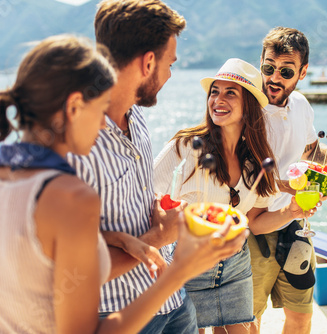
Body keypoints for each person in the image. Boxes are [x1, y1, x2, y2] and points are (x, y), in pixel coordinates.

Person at [0, 34, 247, 334]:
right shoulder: (70, 197)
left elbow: (36, 257)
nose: (102, 125)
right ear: (74, 107)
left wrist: (122, 239)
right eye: (100, 111)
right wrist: (179, 272)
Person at [154, 58, 321, 334]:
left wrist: (291, 212)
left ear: (249, 107)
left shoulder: (256, 161)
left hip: (235, 265)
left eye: (231, 92)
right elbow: (146, 196)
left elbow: (254, 221)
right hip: (188, 265)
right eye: (215, 91)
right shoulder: (185, 146)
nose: (218, 99)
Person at [65, 1, 200, 333]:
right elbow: (71, 267)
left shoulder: (135, 113)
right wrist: (161, 234)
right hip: (117, 315)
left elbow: (129, 195)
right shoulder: (73, 143)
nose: (169, 74)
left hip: (172, 298)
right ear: (148, 61)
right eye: (170, 63)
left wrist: (159, 207)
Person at [249, 27, 327, 334]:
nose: (274, 77)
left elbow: (311, 154)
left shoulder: (301, 105)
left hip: (295, 225)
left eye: (286, 71)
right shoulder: (248, 109)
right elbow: (238, 175)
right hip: (254, 229)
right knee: (250, 320)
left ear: (302, 72)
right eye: (268, 67)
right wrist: (282, 186)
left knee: (301, 316)